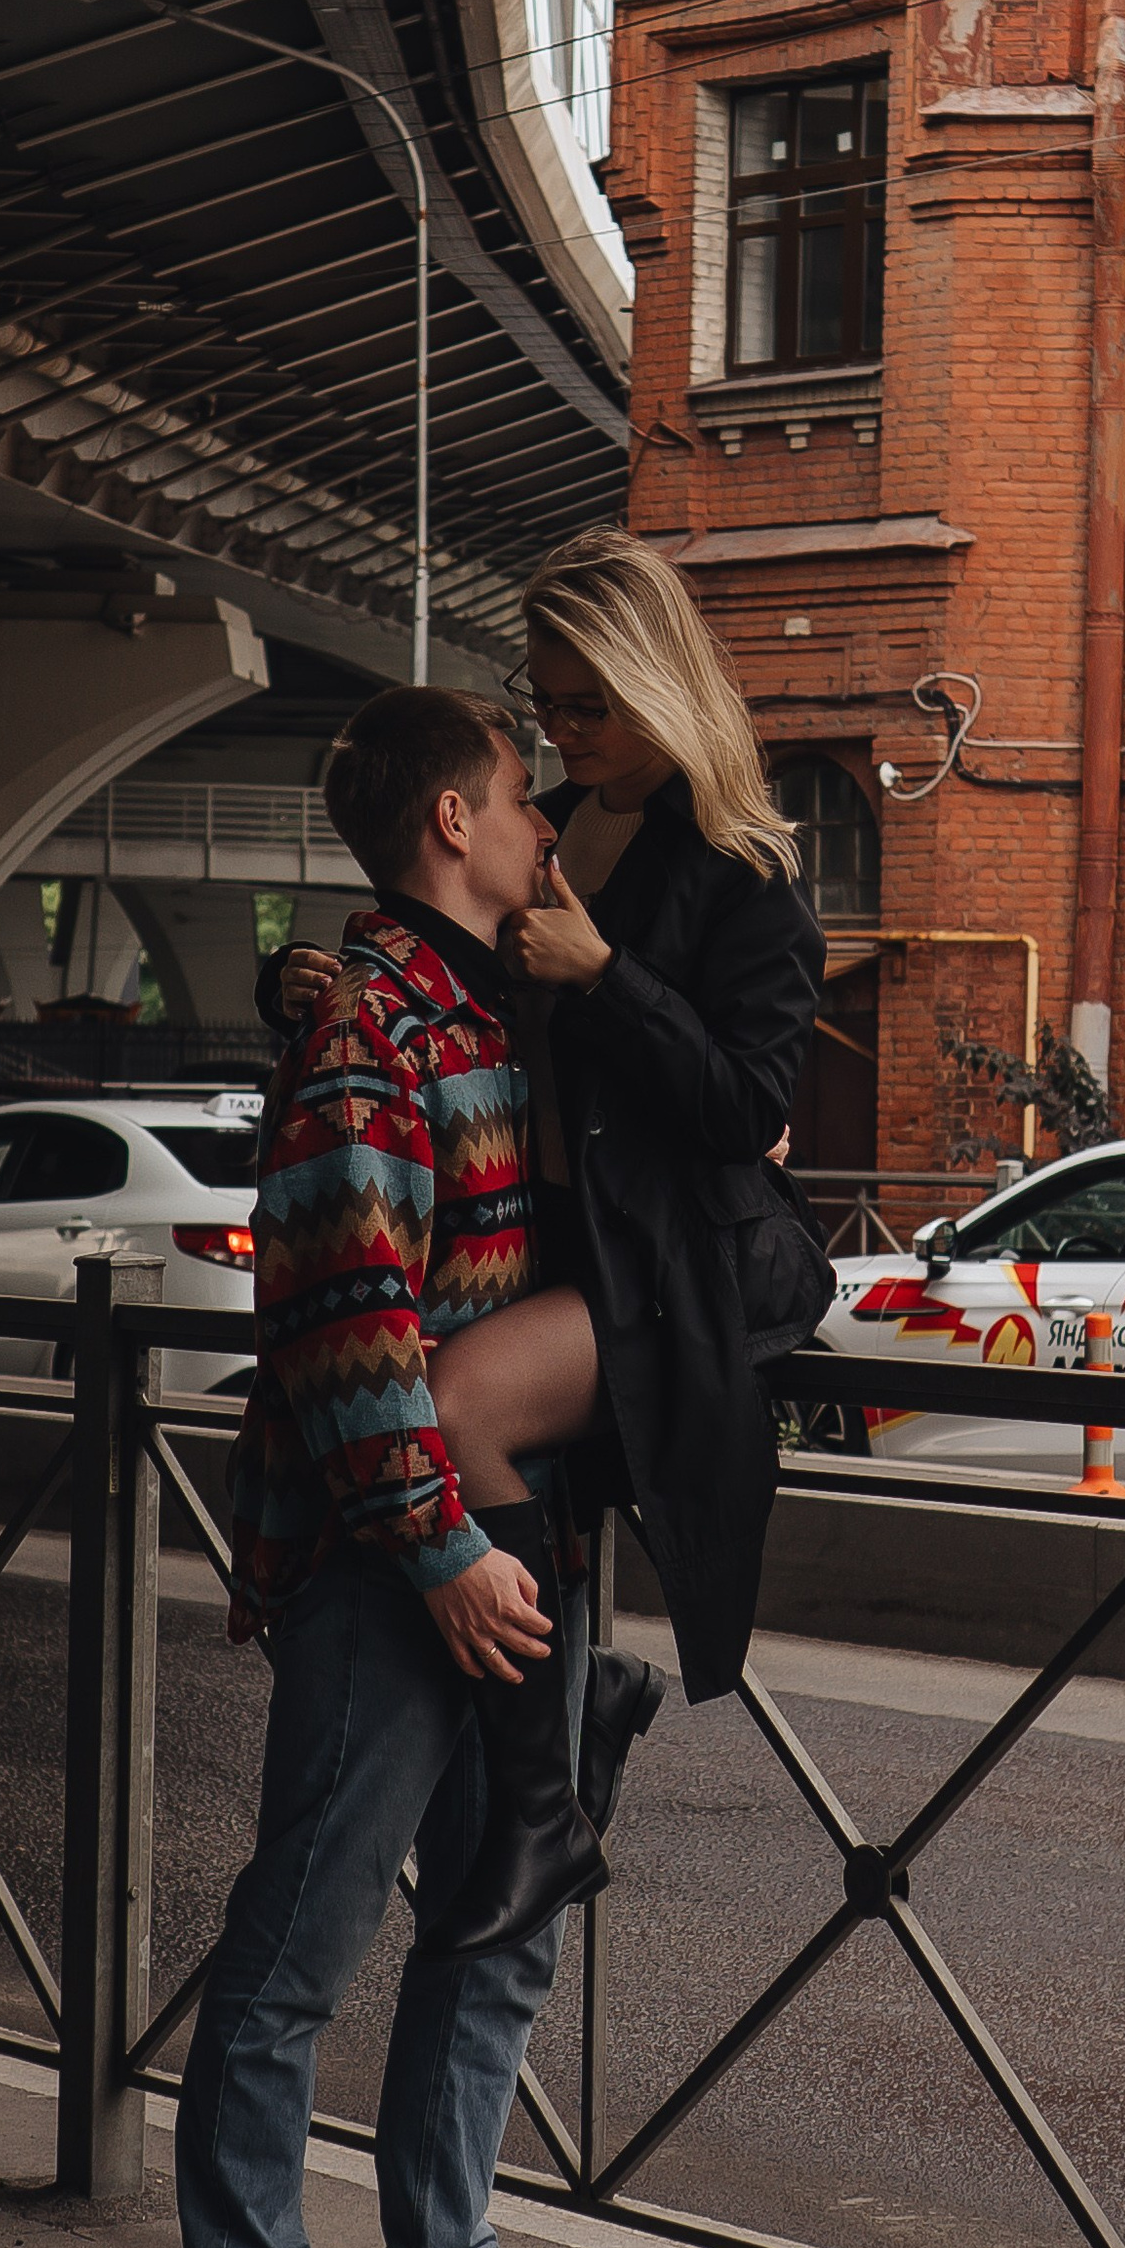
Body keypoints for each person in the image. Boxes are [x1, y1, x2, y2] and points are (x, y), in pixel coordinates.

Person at [174, 682, 634, 2248]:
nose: (543, 827)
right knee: (304, 1933)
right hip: (400, 1561)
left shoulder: (478, 1009)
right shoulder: (373, 1028)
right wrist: (444, 1551)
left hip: (499, 1539)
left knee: (494, 1925)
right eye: (522, 797)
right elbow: (346, 1327)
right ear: (453, 821)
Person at [274, 527, 829, 1968]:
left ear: (659, 685)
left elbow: (750, 1109)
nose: (564, 738)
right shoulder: (564, 823)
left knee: (454, 1402)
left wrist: (614, 977)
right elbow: (458, 975)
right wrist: (339, 977)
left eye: (587, 706)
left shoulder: (745, 866)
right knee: (451, 1401)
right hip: (558, 1245)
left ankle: (543, 1802)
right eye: (548, 709)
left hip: (684, 1266)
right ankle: (574, 1726)